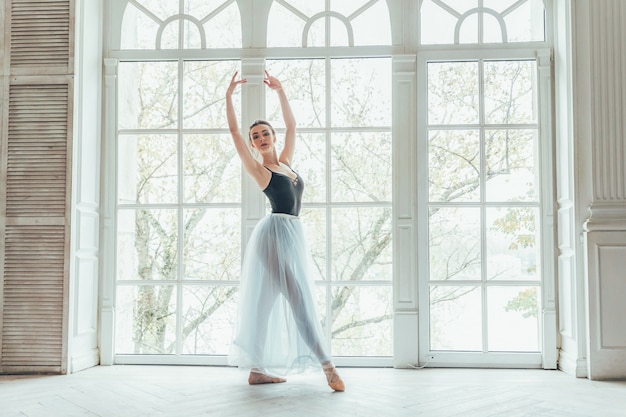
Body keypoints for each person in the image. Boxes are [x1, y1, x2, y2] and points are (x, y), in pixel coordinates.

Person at [226, 70, 345, 392]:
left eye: (265, 133)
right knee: (299, 298)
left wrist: (280, 91)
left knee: (265, 302)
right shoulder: (259, 169)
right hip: (274, 234)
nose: (262, 138)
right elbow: (235, 131)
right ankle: (327, 366)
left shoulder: (287, 163)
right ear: (253, 145)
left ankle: (256, 369)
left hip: (292, 233)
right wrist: (228, 97)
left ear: (273, 136)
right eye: (256, 137)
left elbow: (293, 126)